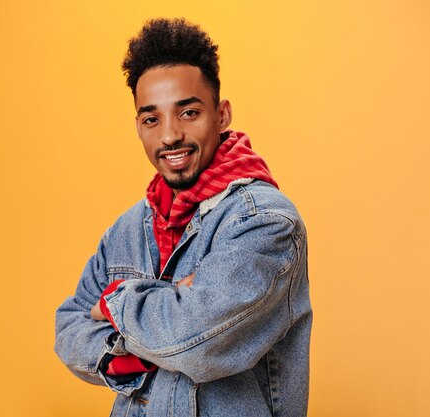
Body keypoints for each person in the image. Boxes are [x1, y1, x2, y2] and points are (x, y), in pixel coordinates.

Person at [55, 17, 312, 417]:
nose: (170, 135)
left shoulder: (265, 222)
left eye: (188, 112)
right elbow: (69, 325)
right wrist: (159, 322)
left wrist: (112, 304)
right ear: (139, 126)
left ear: (222, 115)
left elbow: (198, 344)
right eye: (151, 119)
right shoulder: (126, 230)